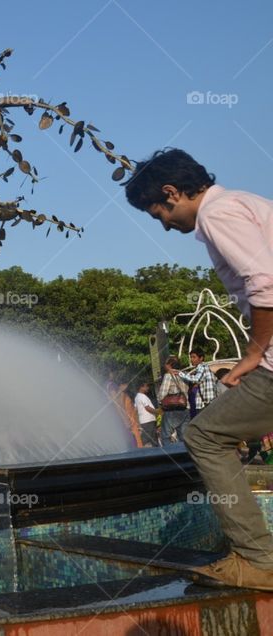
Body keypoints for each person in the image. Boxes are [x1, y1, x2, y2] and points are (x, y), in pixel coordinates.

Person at [125, 147, 273, 590]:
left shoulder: (218, 215)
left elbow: (266, 283)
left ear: (172, 193)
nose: (166, 226)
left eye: (159, 214)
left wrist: (253, 352)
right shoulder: (249, 203)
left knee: (203, 434)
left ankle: (258, 560)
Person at [171, 348, 218, 419]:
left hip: (208, 403)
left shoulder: (202, 367)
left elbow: (196, 379)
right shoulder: (204, 368)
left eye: (194, 357)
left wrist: (180, 373)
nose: (191, 359)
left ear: (201, 358)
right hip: (206, 403)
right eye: (191, 357)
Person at [158, 356, 190, 445]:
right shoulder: (185, 374)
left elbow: (162, 394)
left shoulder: (168, 375)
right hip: (185, 408)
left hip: (172, 410)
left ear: (169, 365)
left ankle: (171, 454)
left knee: (166, 435)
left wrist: (160, 402)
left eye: (166, 363)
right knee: (184, 437)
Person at [134, 382, 159, 447]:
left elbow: (136, 410)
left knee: (149, 438)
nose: (148, 388)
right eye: (146, 386)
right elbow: (147, 408)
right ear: (141, 387)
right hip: (148, 420)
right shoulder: (143, 396)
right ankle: (156, 452)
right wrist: (158, 411)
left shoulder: (137, 397)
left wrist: (138, 421)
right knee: (153, 439)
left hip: (143, 421)